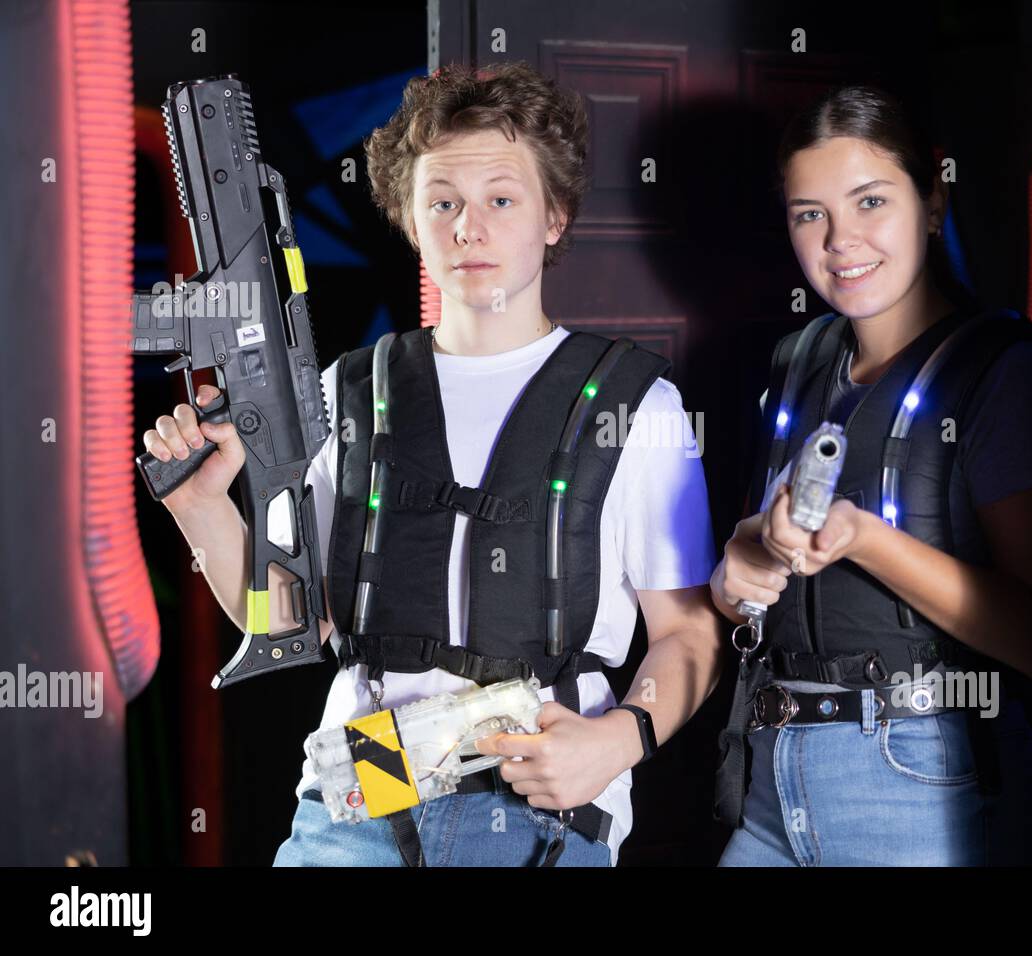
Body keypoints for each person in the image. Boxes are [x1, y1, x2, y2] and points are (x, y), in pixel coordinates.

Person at [143, 61, 720, 867]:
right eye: (442, 201)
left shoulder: (636, 403)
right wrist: (203, 507)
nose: (467, 227)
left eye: (501, 200)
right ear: (410, 219)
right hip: (358, 802)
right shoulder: (352, 390)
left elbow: (688, 631)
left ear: (555, 217)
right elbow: (296, 622)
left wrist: (620, 738)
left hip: (539, 807)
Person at [710, 84, 1032, 866]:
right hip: (772, 774)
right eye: (810, 213)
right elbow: (742, 602)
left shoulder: (1000, 373)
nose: (839, 239)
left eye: (870, 202)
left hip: (915, 775)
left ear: (933, 199)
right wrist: (744, 558)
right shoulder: (798, 363)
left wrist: (863, 539)